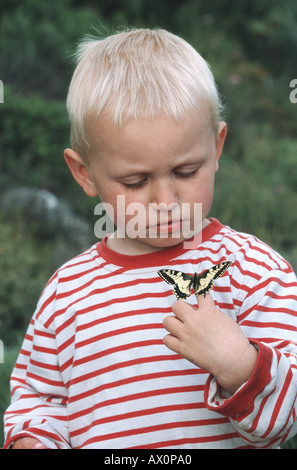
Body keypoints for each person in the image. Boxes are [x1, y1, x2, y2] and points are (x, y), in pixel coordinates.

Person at [4, 28, 297, 449]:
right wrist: (32, 439)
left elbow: (284, 422)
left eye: (185, 172)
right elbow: (41, 401)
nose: (165, 200)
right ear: (84, 173)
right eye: (136, 181)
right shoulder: (66, 293)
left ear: (216, 148)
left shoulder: (253, 271)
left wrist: (240, 365)